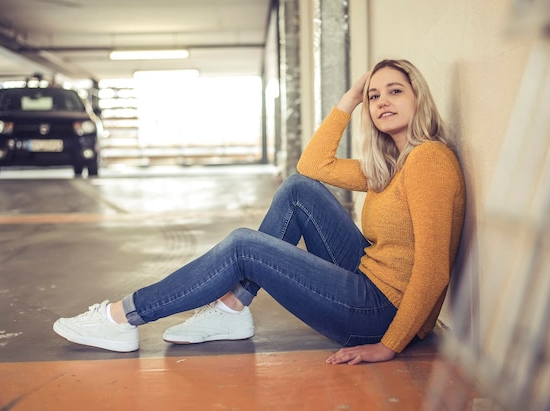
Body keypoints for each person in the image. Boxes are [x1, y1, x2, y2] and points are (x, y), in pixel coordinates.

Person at [53, 59, 466, 365]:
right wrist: (348, 101)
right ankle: (233, 309)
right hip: (368, 280)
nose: (381, 102)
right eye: (374, 95)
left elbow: (433, 267)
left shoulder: (429, 160)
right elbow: (312, 166)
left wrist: (389, 344)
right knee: (298, 189)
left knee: (243, 246)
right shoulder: (391, 165)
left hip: (379, 312)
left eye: (395, 91)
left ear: (418, 98)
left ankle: (122, 317)